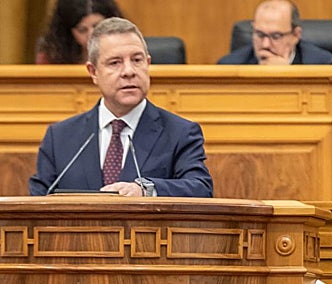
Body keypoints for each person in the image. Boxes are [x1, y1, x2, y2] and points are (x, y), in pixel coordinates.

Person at [28, 17, 213, 197]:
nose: (129, 71)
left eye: (137, 60)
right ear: (93, 72)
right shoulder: (60, 137)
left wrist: (146, 190)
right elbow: (36, 203)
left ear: (147, 64)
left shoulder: (180, 133)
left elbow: (201, 188)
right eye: (115, 63)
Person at [217, 0, 332, 65]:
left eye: (276, 36)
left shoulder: (320, 64)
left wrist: (288, 76)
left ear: (296, 35)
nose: (265, 44)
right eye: (260, 34)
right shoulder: (229, 65)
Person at [36, 0, 124, 65]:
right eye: (82, 30)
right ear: (68, 32)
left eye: (98, 26)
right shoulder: (51, 56)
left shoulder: (128, 49)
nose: (92, 35)